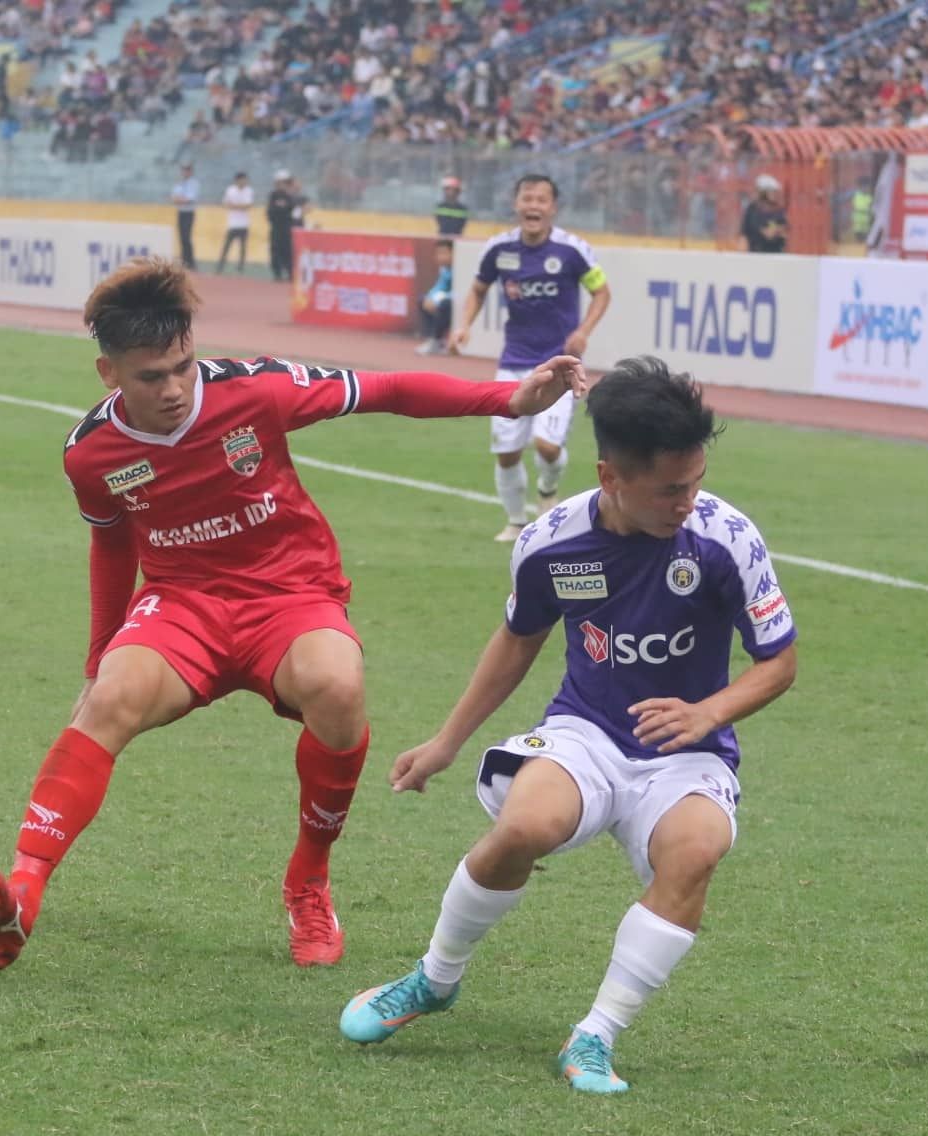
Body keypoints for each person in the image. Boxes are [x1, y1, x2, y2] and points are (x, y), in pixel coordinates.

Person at [0, 258, 588, 972]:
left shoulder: (255, 389)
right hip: (183, 604)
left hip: (291, 594)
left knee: (338, 687)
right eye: (150, 377)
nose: (173, 389)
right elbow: (111, 544)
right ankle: (22, 892)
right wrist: (100, 654)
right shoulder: (91, 454)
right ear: (110, 374)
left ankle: (309, 881)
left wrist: (509, 399)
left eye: (182, 367)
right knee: (109, 699)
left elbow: (385, 389)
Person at [338, 356, 799, 1094]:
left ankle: (595, 1036)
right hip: (586, 731)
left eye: (696, 481)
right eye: (670, 489)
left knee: (696, 851)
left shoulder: (726, 539)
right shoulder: (552, 543)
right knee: (523, 826)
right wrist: (446, 741)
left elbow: (779, 662)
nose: (689, 502)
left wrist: (707, 712)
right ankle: (434, 979)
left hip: (687, 751)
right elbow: (518, 638)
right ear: (611, 476)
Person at [450, 174, 611, 542]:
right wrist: (463, 325)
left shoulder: (572, 250)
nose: (533, 206)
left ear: (553, 208)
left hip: (559, 365)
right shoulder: (499, 249)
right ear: (516, 204)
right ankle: (515, 522)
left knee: (547, 447)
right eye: (527, 199)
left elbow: (602, 292)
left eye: (541, 200)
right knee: (507, 452)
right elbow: (478, 289)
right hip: (514, 362)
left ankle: (548, 492)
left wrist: (583, 331)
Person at [264, 169, 305, 282]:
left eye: (286, 182)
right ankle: (277, 273)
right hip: (276, 227)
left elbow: (294, 212)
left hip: (287, 227)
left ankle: (290, 272)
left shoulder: (292, 196)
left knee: (288, 250)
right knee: (275, 250)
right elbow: (272, 211)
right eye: (282, 182)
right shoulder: (274, 195)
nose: (284, 185)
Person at [416, 238, 454, 355]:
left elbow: (460, 291)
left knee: (445, 304)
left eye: (444, 253)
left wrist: (437, 300)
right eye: (438, 253)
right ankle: (433, 339)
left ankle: (436, 340)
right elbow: (439, 286)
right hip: (445, 300)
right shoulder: (444, 269)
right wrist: (430, 298)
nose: (440, 257)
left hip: (457, 303)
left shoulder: (460, 268)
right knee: (423, 300)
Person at [740, 174, 789, 253]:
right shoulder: (753, 210)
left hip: (776, 254)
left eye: (775, 191)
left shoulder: (779, 211)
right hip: (757, 254)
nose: (775, 194)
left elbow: (785, 232)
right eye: (771, 191)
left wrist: (777, 231)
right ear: (763, 192)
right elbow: (745, 234)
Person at [217, 170, 252, 273]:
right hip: (232, 224)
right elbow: (226, 204)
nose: (244, 182)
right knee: (226, 246)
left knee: (242, 247)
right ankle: (220, 266)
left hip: (244, 224)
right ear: (237, 180)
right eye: (242, 180)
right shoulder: (230, 190)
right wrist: (239, 206)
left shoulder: (248, 190)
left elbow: (247, 206)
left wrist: (234, 206)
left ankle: (240, 267)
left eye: (245, 180)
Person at [171, 163, 199, 269]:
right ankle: (184, 260)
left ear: (191, 172)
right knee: (182, 237)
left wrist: (181, 200)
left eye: (187, 170)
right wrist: (181, 200)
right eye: (184, 170)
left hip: (189, 212)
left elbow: (190, 199)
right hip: (181, 212)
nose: (185, 172)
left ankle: (190, 262)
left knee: (187, 237)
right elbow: (174, 198)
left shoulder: (194, 183)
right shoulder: (179, 183)